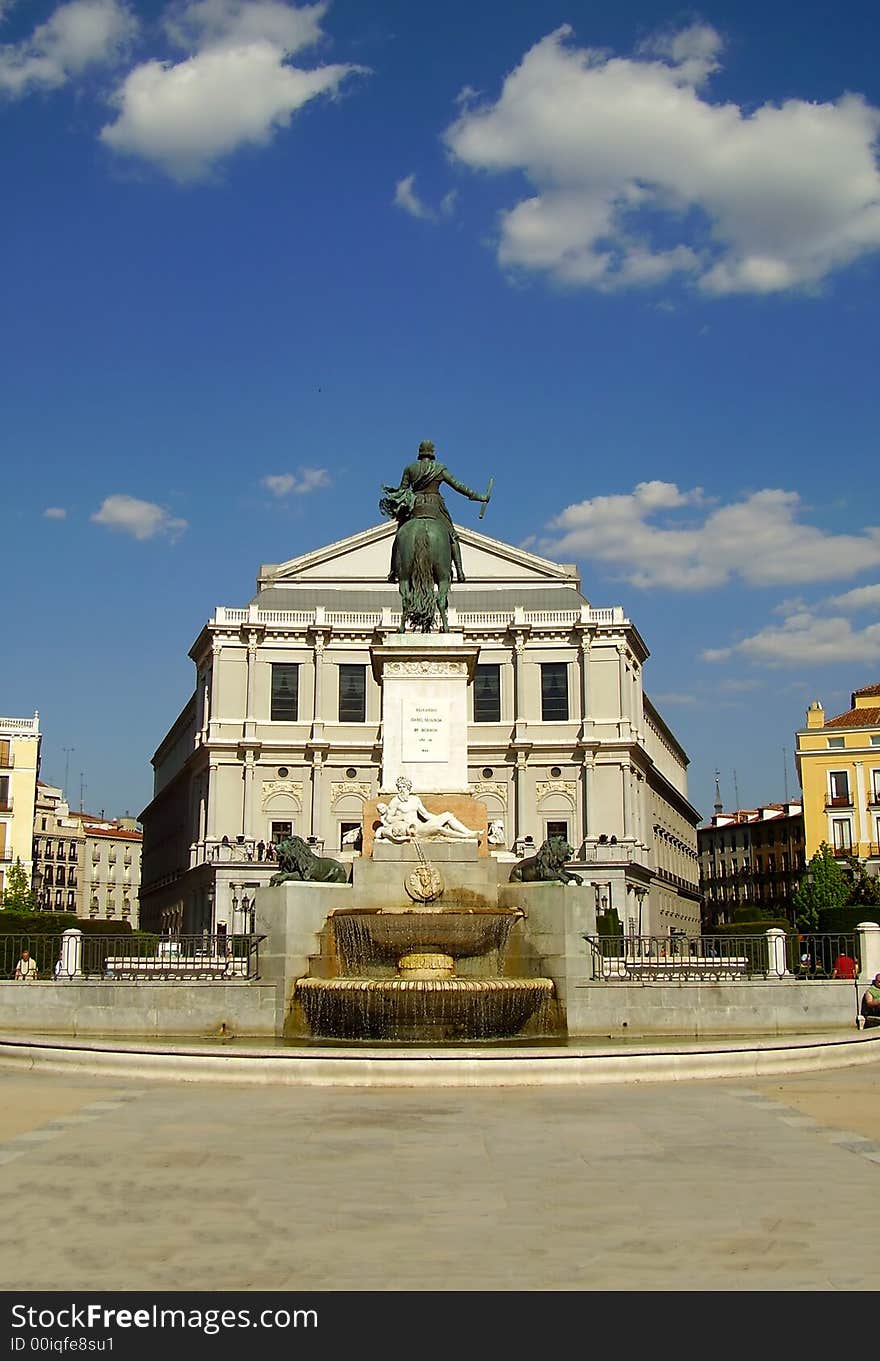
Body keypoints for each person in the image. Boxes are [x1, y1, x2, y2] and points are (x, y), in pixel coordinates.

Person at [380, 440, 489, 584]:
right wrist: (479, 497)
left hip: (415, 505)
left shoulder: (410, 469)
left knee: (399, 536)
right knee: (452, 536)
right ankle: (460, 571)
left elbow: (402, 490)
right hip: (435, 505)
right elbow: (458, 486)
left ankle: (393, 571)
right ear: (432, 453)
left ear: (420, 453)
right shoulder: (440, 468)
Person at [374, 776, 480, 842]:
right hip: (412, 830)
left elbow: (426, 815)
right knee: (439, 829)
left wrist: (438, 819)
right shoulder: (395, 801)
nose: (402, 790)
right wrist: (401, 817)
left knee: (447, 815)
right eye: (400, 787)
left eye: (404, 787)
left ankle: (469, 832)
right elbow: (388, 819)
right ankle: (465, 837)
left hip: (421, 825)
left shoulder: (415, 799)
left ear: (409, 788)